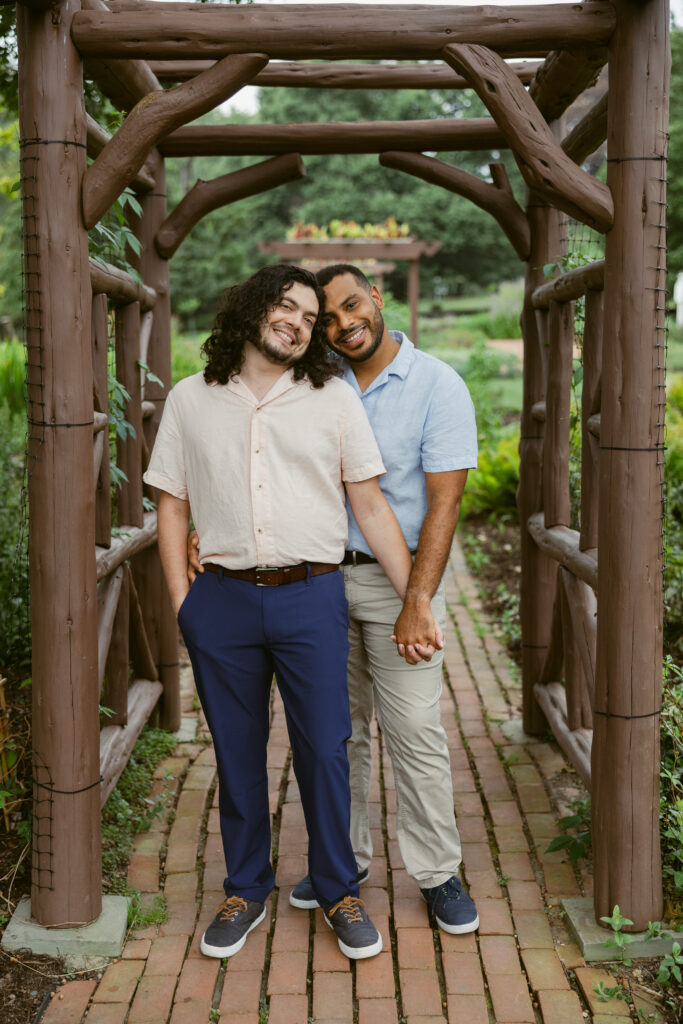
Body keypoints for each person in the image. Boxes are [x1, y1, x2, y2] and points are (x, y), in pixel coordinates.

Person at [145, 264, 436, 962]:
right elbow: (171, 504)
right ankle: (245, 888)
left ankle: (338, 889)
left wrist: (414, 600)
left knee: (326, 749)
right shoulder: (191, 399)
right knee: (238, 755)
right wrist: (186, 608)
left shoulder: (332, 398)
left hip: (311, 596)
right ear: (252, 310)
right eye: (287, 307)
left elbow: (369, 503)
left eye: (309, 318)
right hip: (222, 601)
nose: (299, 323)